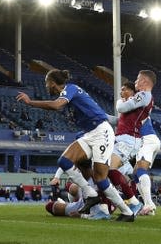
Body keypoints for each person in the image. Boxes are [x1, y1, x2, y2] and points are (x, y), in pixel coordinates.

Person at [16, 69, 135, 222]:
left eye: (47, 84)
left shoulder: (70, 89)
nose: (46, 87)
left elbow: (57, 105)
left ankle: (126, 212)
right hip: (90, 134)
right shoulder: (69, 96)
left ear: (52, 83)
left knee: (101, 179)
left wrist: (30, 102)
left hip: (102, 133)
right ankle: (91, 195)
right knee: (64, 161)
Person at [118, 70, 160, 216]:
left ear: (144, 81)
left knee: (140, 170)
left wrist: (121, 101)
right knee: (136, 174)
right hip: (149, 139)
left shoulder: (143, 95)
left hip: (147, 139)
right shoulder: (145, 100)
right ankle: (147, 205)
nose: (135, 82)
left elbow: (122, 108)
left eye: (137, 79)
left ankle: (149, 204)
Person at [106, 81, 148, 215]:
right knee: (106, 170)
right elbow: (119, 121)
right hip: (123, 139)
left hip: (129, 140)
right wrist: (100, 115)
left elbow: (120, 107)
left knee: (109, 169)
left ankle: (133, 202)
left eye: (124, 89)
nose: (121, 92)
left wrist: (119, 101)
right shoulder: (131, 105)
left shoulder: (131, 101)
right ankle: (112, 203)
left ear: (132, 91)